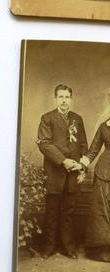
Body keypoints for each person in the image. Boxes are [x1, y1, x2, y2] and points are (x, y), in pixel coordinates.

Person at [37, 84, 88, 259]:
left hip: (73, 174)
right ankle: (48, 247)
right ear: (55, 98)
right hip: (54, 173)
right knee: (51, 211)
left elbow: (83, 145)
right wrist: (63, 160)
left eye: (67, 97)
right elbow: (44, 144)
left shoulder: (77, 119)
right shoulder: (47, 118)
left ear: (71, 99)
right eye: (60, 97)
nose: (64, 100)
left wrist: (83, 167)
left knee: (68, 211)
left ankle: (68, 247)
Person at [80, 89, 110, 262]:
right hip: (104, 172)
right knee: (101, 212)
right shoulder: (104, 127)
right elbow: (93, 150)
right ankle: (102, 249)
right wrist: (82, 164)